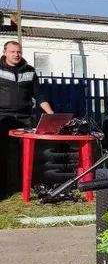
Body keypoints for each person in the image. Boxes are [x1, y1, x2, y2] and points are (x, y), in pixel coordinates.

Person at [0, 41, 54, 196]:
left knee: (26, 153)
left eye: (19, 52)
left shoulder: (29, 71)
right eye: (12, 52)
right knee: (2, 153)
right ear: (5, 52)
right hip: (3, 116)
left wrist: (50, 114)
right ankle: (3, 188)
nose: (16, 55)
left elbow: (39, 95)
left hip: (24, 117)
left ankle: (26, 184)